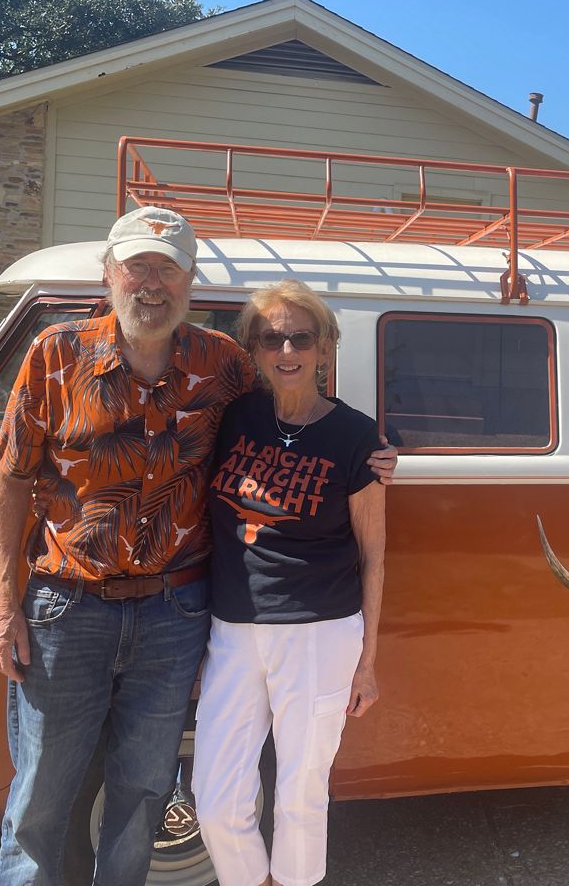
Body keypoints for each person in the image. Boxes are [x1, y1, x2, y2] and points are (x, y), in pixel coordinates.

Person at [0, 208, 395, 886]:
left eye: (167, 267)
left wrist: (374, 451)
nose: (152, 282)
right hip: (69, 606)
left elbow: (299, 403)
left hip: (175, 611)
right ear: (109, 272)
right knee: (42, 791)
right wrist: (3, 603)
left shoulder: (221, 363)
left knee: (145, 789)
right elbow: (10, 474)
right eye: (138, 265)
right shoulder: (55, 353)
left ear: (190, 280)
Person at [193, 280, 385, 886]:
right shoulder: (236, 416)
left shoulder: (358, 437)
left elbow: (374, 555)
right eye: (271, 337)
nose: (286, 349)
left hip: (321, 630)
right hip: (235, 627)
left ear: (326, 346)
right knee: (217, 797)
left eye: (301, 336)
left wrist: (368, 662)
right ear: (253, 347)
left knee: (303, 793)